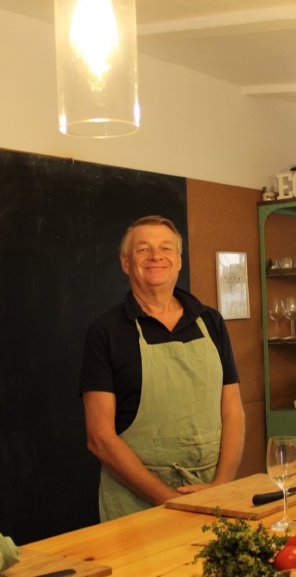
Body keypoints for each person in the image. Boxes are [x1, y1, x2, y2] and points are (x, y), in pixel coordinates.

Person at [80, 215, 245, 521]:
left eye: (165, 248)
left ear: (179, 261)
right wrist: (170, 501)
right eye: (143, 250)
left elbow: (233, 411)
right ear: (126, 263)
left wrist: (221, 487)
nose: (156, 256)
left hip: (212, 497)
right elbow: (99, 438)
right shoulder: (106, 331)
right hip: (135, 505)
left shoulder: (210, 322)